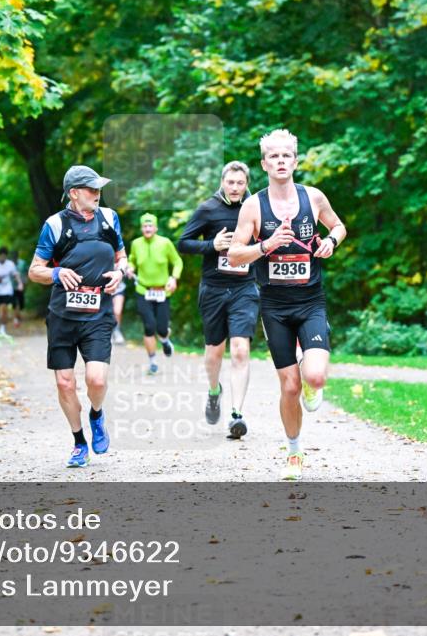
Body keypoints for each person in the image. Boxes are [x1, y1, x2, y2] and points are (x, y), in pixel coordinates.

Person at [227, 129, 347, 480]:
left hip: (311, 301)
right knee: (289, 386)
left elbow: (339, 226)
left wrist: (330, 242)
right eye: (273, 157)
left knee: (314, 375)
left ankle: (313, 380)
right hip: (274, 307)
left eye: (286, 156)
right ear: (264, 164)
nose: (280, 161)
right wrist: (265, 246)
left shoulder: (313, 198)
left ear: (295, 161)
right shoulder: (253, 206)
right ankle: (294, 452)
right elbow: (235, 255)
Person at [28, 165, 128, 468]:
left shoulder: (109, 219)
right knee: (65, 383)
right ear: (74, 193)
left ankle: (96, 414)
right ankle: (79, 442)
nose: (98, 195)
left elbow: (121, 256)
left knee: (96, 380)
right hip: (62, 315)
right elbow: (35, 270)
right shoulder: (55, 225)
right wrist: (57, 272)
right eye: (91, 189)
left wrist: (119, 272)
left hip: (98, 312)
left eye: (99, 189)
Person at [177, 161, 258, 439]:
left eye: (240, 183)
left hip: (244, 288)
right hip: (213, 289)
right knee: (214, 354)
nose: (235, 188)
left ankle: (237, 414)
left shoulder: (256, 207)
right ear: (223, 182)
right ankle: (214, 391)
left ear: (247, 184)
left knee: (239, 350)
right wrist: (212, 245)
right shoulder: (208, 209)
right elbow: (183, 243)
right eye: (231, 183)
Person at [126, 213, 183, 375]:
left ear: (156, 228)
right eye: (145, 226)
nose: (148, 228)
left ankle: (165, 340)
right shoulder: (136, 244)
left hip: (162, 291)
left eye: (150, 226)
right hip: (143, 290)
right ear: (141, 228)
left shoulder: (165, 243)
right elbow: (132, 259)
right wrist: (130, 267)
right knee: (149, 326)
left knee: (162, 328)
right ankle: (152, 362)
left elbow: (177, 262)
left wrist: (174, 278)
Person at [10, 250, 28, 327]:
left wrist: (26, 281)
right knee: (14, 302)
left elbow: (27, 271)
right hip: (12, 286)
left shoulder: (23, 263)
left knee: (21, 302)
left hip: (21, 286)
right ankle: (16, 318)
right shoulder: (9, 264)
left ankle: (18, 314)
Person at [111, 276, 127, 345]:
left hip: (118, 289)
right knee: (107, 312)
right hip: (103, 289)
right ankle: (109, 333)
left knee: (117, 311)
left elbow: (126, 268)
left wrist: (128, 270)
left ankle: (117, 331)